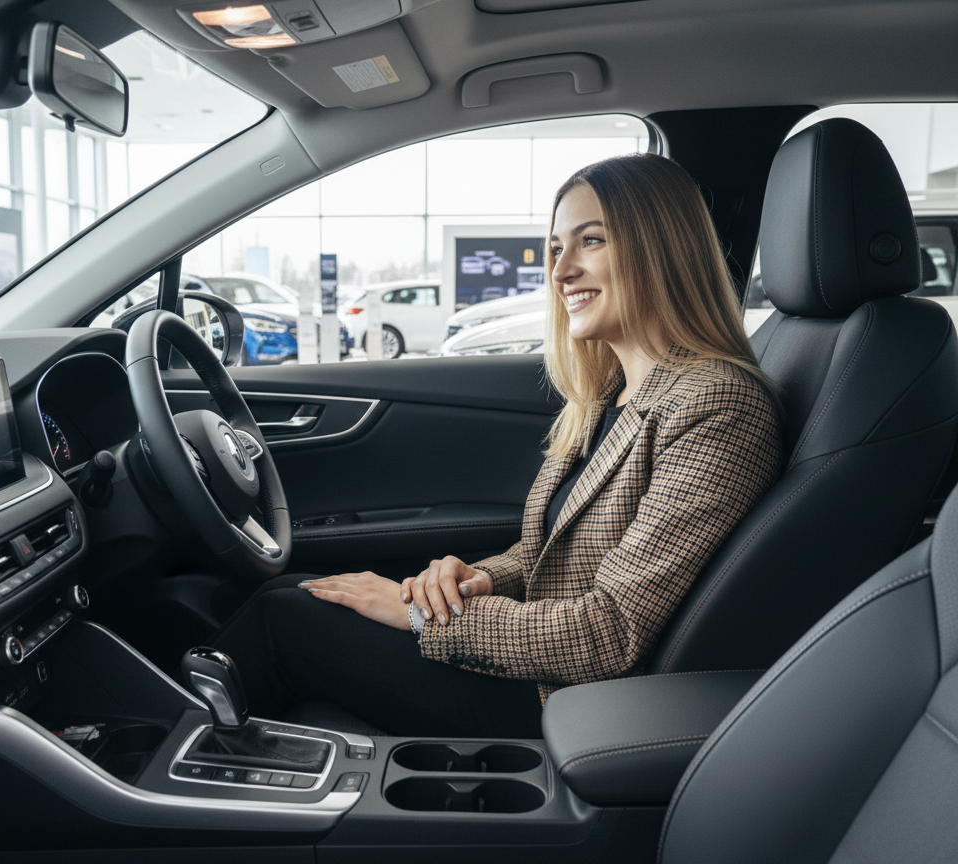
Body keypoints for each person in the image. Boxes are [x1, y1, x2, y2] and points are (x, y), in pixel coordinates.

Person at [207, 153, 782, 738]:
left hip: (572, 700)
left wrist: (415, 615)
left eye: (591, 241)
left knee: (283, 617)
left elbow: (609, 632)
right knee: (290, 590)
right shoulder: (608, 393)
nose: (561, 272)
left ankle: (160, 756)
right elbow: (544, 555)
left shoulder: (717, 402)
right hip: (538, 658)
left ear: (662, 249)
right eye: (556, 248)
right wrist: (477, 579)